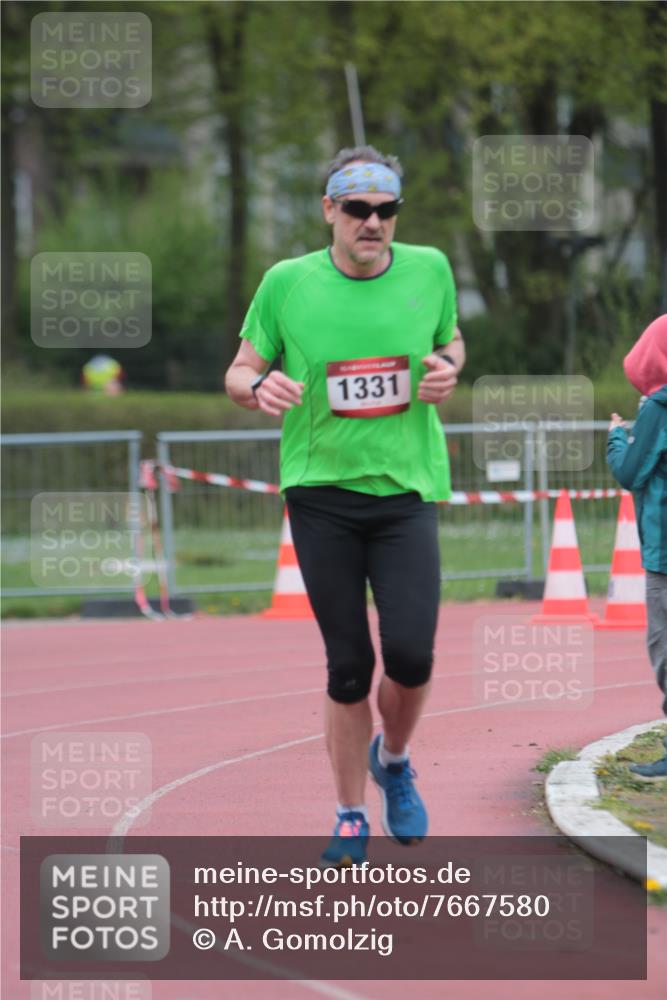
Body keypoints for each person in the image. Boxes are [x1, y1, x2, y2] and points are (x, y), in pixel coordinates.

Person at [225, 145, 464, 863]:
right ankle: (348, 813)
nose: (372, 222)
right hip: (321, 495)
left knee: (414, 655)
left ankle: (392, 759)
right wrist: (256, 389)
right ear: (328, 209)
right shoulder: (287, 283)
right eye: (357, 209)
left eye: (385, 209)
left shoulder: (430, 268)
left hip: (406, 491)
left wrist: (448, 367)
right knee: (348, 666)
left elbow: (450, 341)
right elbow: (240, 370)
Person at [607, 313, 667, 779]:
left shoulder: (658, 408)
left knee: (664, 645)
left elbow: (632, 472)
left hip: (664, 550)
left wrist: (616, 437)